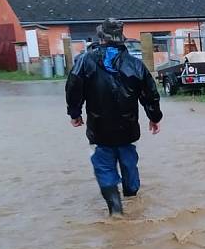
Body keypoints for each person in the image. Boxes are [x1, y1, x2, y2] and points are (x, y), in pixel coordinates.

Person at [66, 18, 162, 216]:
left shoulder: (85, 61)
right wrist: (154, 117)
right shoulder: (135, 65)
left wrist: (75, 113)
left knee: (104, 166)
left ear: (101, 38)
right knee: (128, 162)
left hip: (99, 129)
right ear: (122, 39)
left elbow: (73, 88)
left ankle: (115, 209)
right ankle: (132, 196)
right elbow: (150, 94)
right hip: (127, 129)